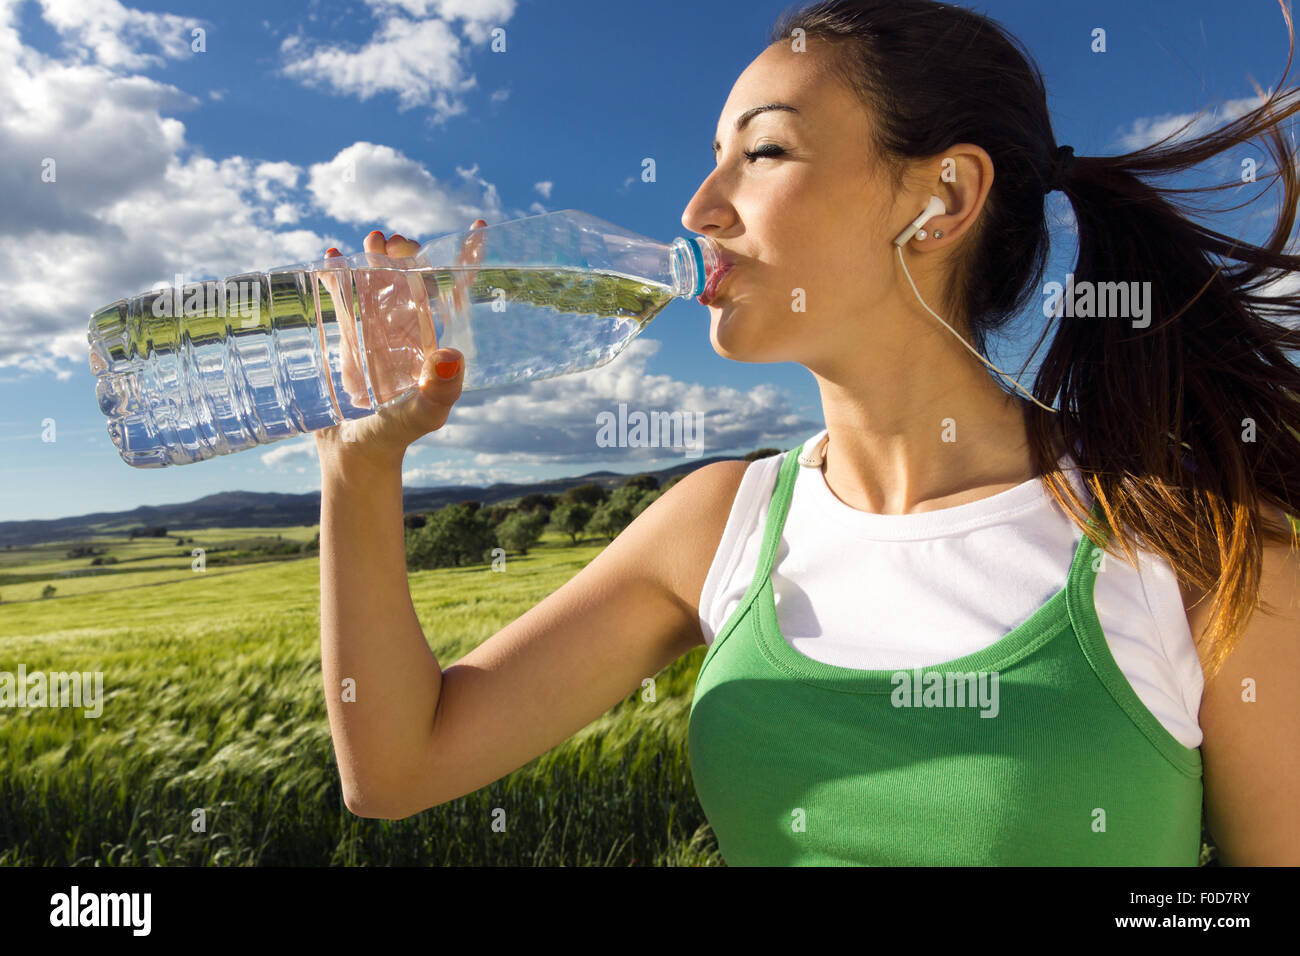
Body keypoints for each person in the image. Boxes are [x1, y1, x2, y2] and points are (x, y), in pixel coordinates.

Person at [315, 0, 1300, 865]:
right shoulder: (716, 523)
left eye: (765, 151)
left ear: (942, 197)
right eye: (711, 163)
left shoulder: (1206, 557)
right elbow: (400, 764)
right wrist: (361, 468)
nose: (701, 210)